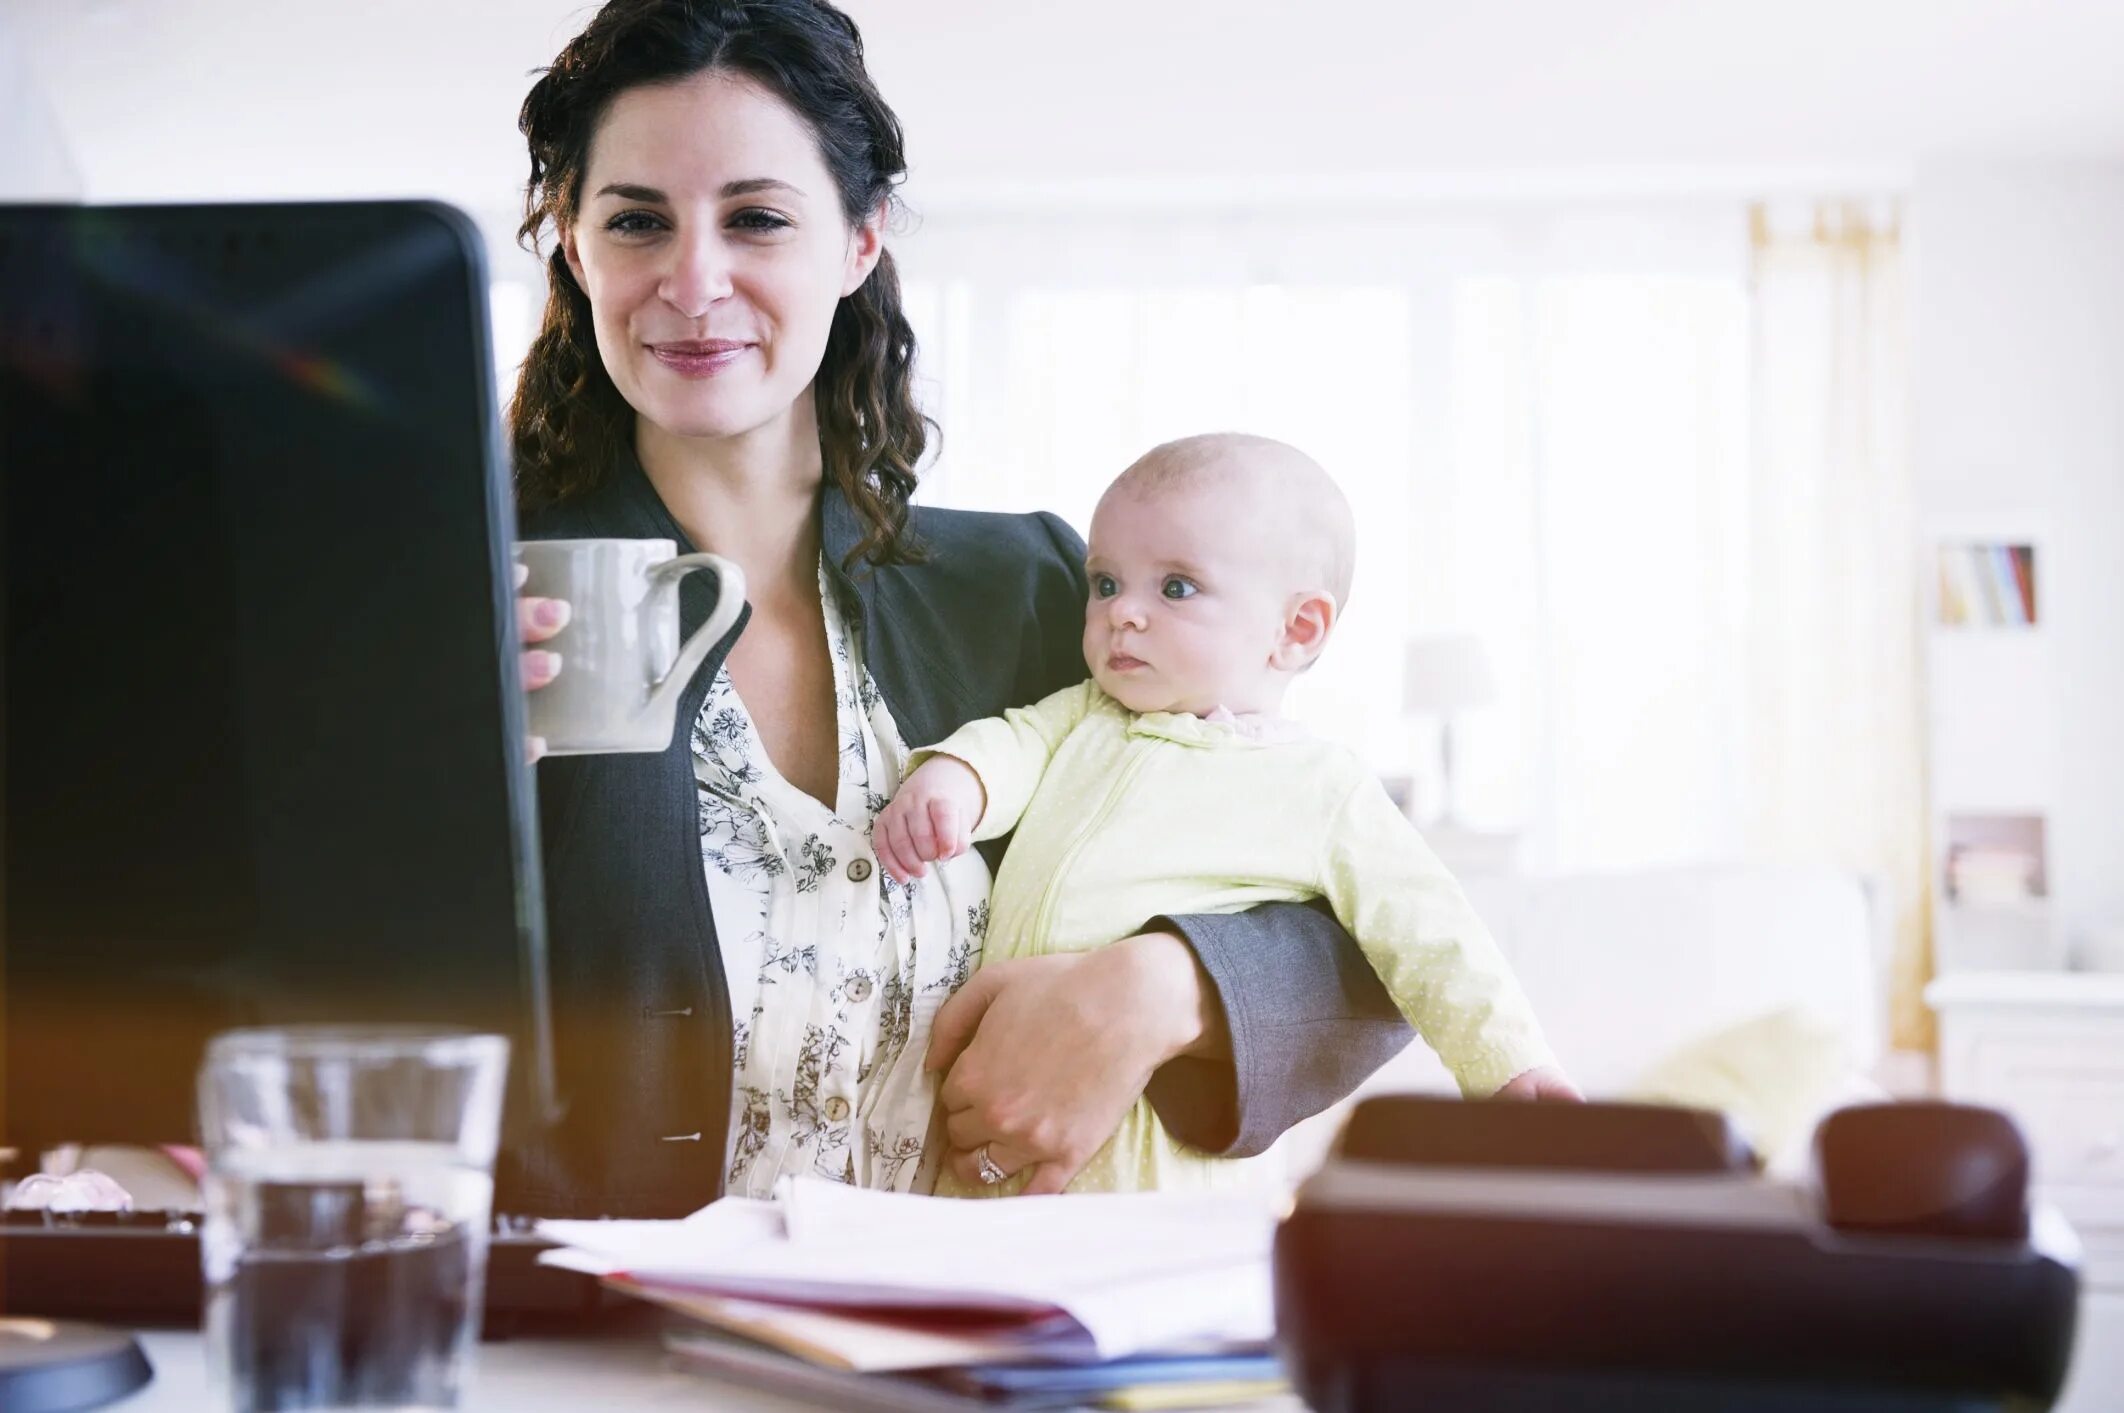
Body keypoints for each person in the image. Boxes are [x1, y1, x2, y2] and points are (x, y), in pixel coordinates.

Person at [504, 0, 1415, 1215]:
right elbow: (289, 999)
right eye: (636, 222)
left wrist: (1154, 992)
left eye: (759, 219)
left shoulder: (1045, 594)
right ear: (575, 245)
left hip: (978, 1353)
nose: (694, 279)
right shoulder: (481, 605)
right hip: (602, 1360)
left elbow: (1371, 931)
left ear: (858, 244)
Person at [874, 434, 1582, 1197]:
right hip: (997, 1112)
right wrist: (956, 781)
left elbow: (1430, 928)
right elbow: (1011, 744)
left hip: (1162, 1154)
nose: (1123, 616)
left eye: (1175, 588)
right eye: (1107, 583)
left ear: (1297, 628)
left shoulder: (1321, 784)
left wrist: (1511, 1066)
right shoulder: (1082, 714)